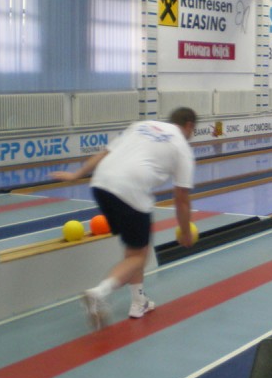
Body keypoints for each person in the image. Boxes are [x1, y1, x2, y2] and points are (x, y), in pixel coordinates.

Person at [51, 107, 198, 329]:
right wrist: (185, 231)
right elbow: (182, 198)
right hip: (130, 189)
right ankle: (99, 293)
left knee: (134, 250)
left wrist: (76, 174)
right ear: (189, 125)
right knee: (139, 257)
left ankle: (139, 302)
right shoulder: (182, 148)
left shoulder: (142, 125)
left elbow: (105, 153)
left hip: (101, 183)